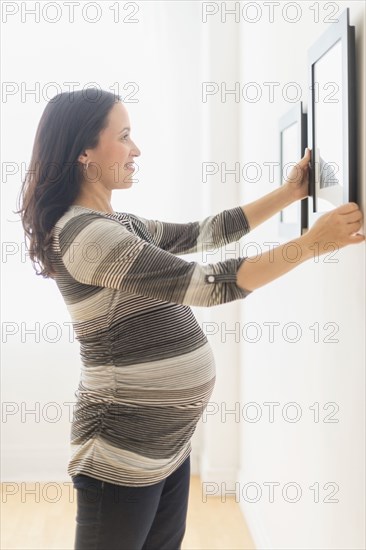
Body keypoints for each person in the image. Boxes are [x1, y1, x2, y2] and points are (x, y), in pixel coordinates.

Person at [16, 88, 364, 550]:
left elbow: (205, 232)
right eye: (124, 136)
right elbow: (211, 284)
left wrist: (289, 192)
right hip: (119, 453)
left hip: (166, 444)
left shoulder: (119, 223)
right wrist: (312, 243)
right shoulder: (87, 236)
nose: (136, 149)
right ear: (84, 151)